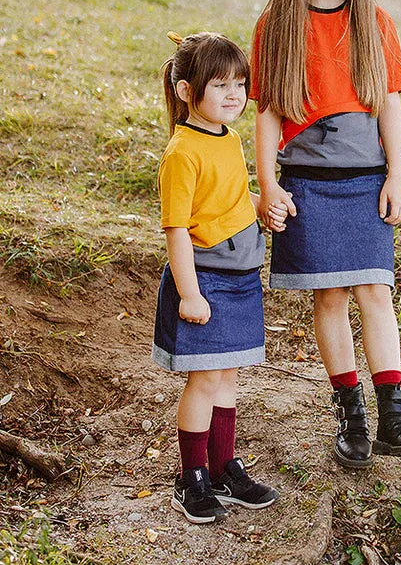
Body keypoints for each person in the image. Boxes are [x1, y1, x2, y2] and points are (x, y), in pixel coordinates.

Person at [250, 0, 401, 469]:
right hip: (306, 181)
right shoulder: (277, 25)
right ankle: (349, 410)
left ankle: (393, 412)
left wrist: (397, 177)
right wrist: (268, 185)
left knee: (377, 290)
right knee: (329, 295)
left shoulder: (374, 22)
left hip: (365, 178)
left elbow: (390, 108)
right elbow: (269, 114)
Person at [152, 31, 284, 523]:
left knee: (227, 374)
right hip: (205, 280)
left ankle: (224, 465)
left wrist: (261, 205)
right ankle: (192, 480)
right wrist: (189, 293)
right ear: (188, 91)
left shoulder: (227, 138)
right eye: (221, 84)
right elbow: (178, 229)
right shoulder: (182, 152)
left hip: (241, 277)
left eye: (240, 83)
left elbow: (226, 201)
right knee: (204, 380)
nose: (235, 94)